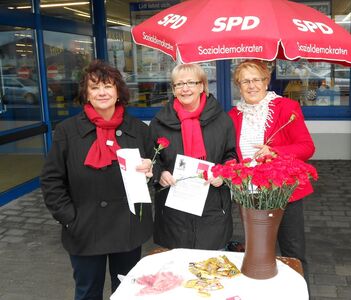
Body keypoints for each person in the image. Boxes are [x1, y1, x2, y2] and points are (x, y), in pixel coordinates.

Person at [40, 60, 153, 300]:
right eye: (94, 87)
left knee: (127, 292)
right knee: (87, 292)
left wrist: (151, 168)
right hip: (85, 228)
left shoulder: (138, 129)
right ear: (86, 94)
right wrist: (70, 219)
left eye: (108, 86)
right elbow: (51, 180)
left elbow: (155, 167)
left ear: (118, 91)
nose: (102, 92)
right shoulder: (67, 131)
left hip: (128, 228)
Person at [228, 59, 315, 285]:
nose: (251, 85)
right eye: (245, 81)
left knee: (292, 249)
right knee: (258, 249)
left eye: (256, 79)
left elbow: (307, 147)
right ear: (238, 85)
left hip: (283, 191)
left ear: (266, 81)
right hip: (250, 193)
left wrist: (275, 151)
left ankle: (298, 291)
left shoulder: (286, 107)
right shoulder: (233, 115)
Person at [149, 63, 237, 250]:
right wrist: (160, 173)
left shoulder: (222, 120)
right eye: (179, 84)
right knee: (177, 272)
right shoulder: (159, 122)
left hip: (212, 205)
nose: (185, 88)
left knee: (212, 270)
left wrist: (223, 174)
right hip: (174, 209)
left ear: (202, 86)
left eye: (191, 82)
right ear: (173, 89)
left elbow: (231, 154)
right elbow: (152, 158)